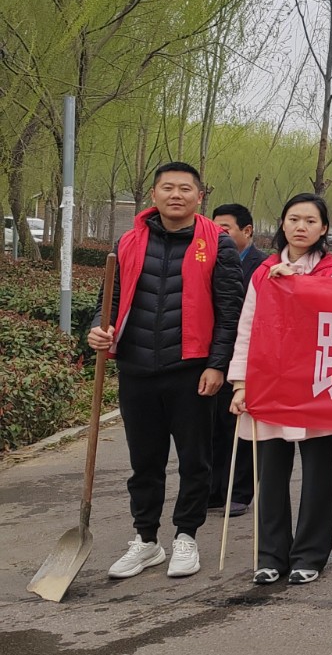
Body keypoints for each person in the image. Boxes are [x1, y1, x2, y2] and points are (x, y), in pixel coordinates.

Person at [88, 162, 244, 580]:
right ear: (154, 194)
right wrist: (99, 329)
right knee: (144, 462)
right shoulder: (128, 241)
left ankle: (186, 536)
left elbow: (230, 311)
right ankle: (146, 540)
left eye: (185, 189)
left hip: (191, 370)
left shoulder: (218, 244)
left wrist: (218, 365)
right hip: (137, 368)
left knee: (195, 460)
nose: (176, 195)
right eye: (168, 188)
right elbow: (109, 299)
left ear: (199, 197)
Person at [227, 194, 332, 584]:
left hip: (318, 383)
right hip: (270, 382)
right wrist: (241, 384)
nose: (301, 227)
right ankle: (270, 555)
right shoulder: (264, 271)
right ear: (282, 223)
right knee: (270, 471)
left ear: (324, 228)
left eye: (311, 221)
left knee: (318, 473)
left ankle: (309, 554)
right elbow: (247, 328)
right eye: (294, 219)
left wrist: (295, 284)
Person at [209, 202, 265, 518]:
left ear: (247, 231)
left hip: (248, 356)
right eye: (214, 228)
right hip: (216, 354)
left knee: (242, 426)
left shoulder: (263, 267)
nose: (218, 234)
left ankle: (240, 492)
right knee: (214, 424)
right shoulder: (209, 260)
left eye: (225, 229)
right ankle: (215, 490)